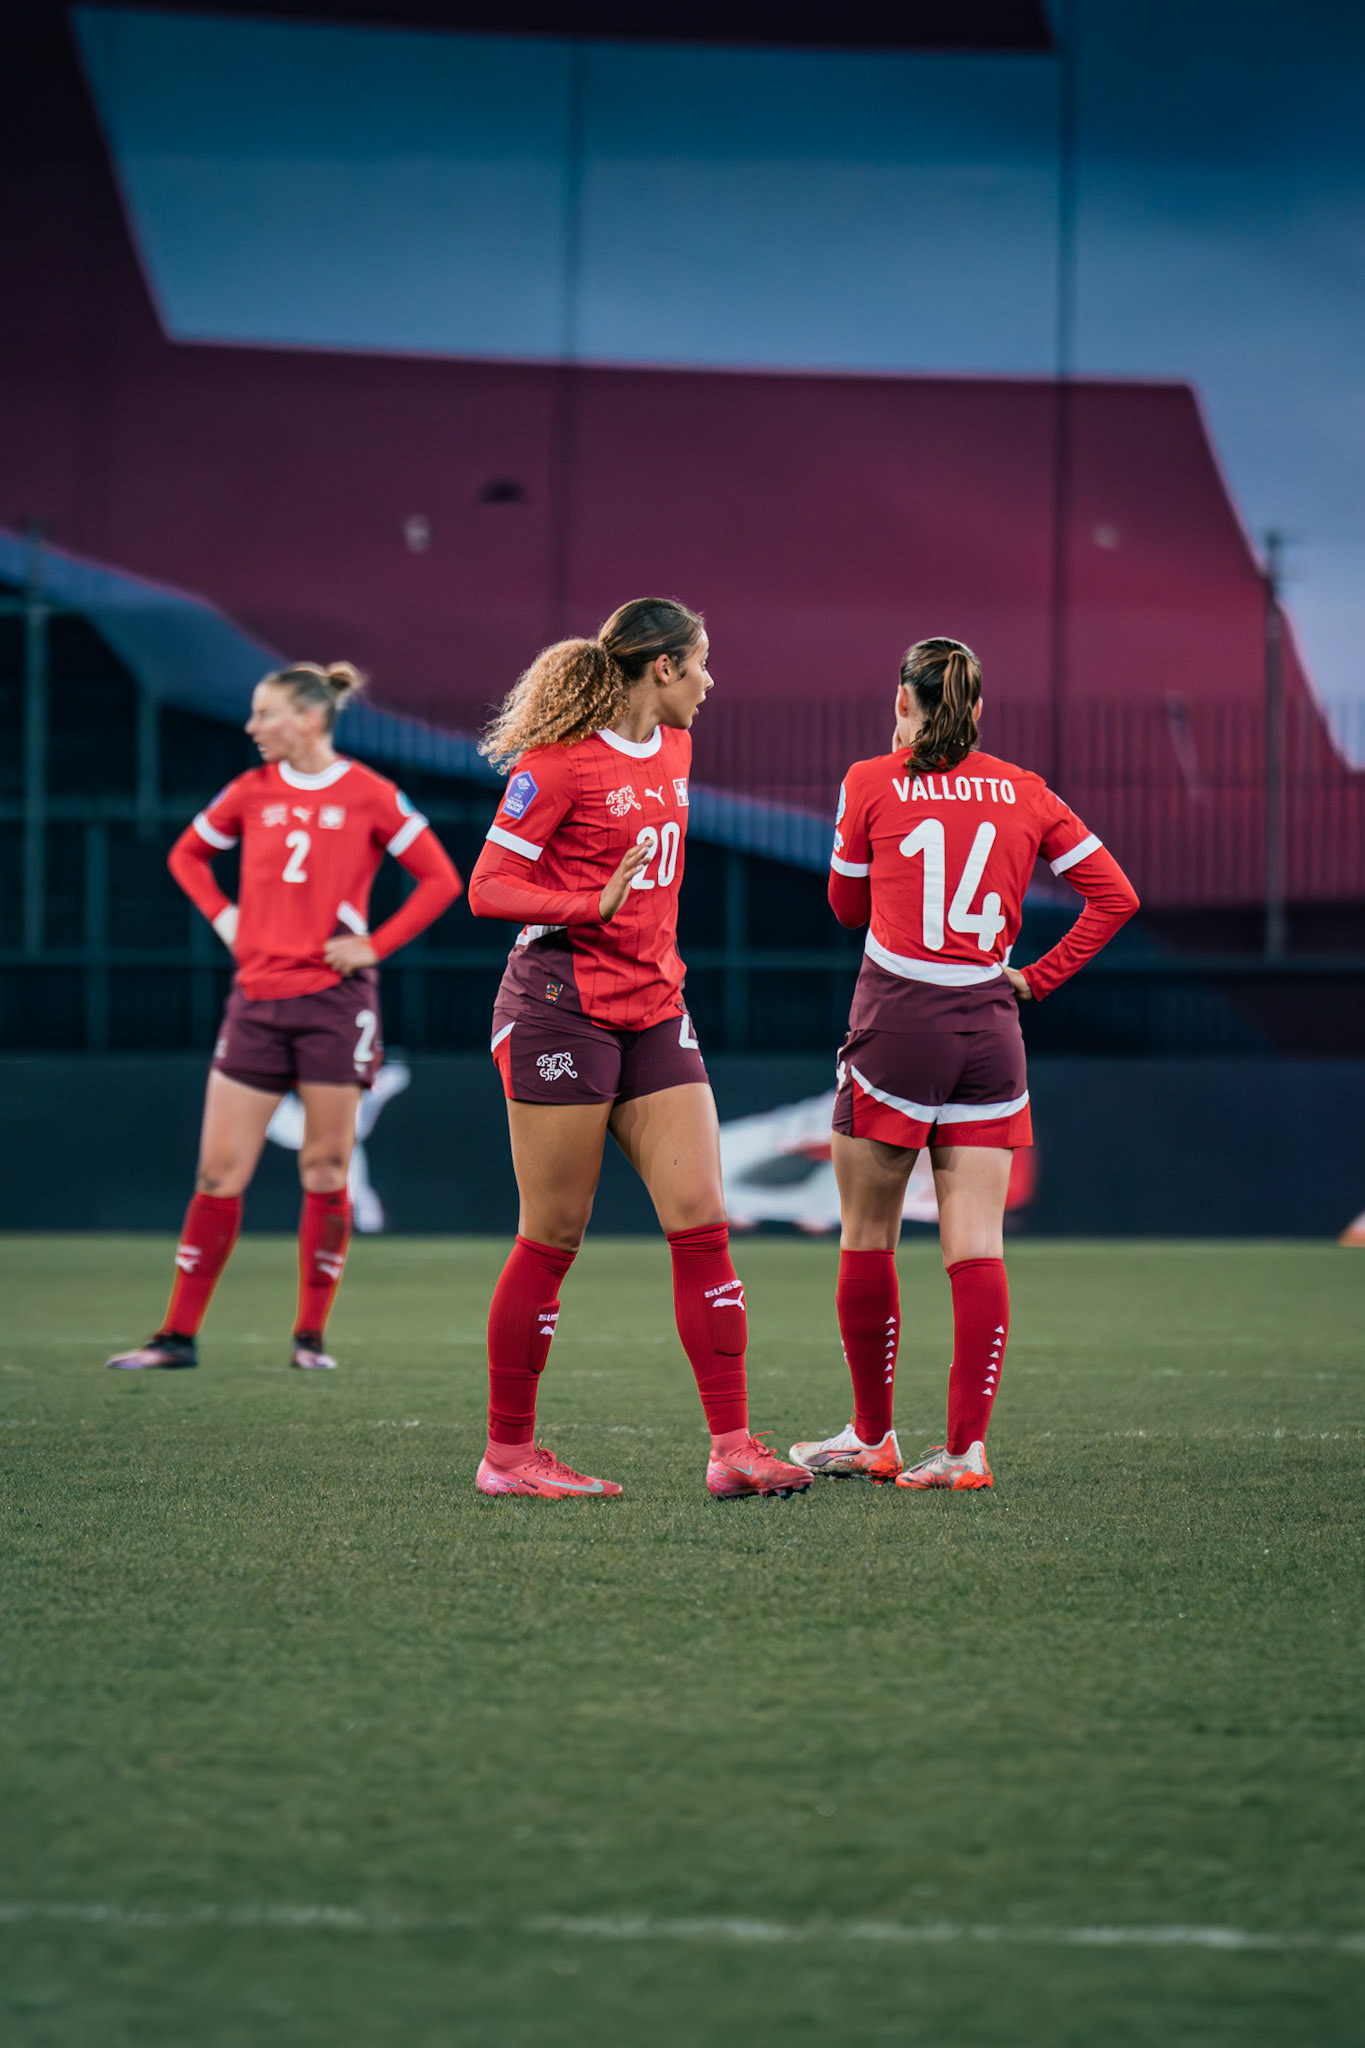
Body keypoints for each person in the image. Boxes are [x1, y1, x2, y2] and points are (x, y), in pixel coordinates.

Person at [467, 598, 812, 1501]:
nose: (710, 681)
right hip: (558, 1009)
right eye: (701, 663)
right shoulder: (554, 770)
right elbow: (488, 887)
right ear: (661, 668)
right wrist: (588, 906)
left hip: (655, 1007)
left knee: (702, 1220)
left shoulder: (677, 750)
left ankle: (731, 1448)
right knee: (552, 1236)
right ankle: (507, 1459)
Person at [789, 637, 1138, 1490]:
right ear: (977, 709)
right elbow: (1115, 897)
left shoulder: (872, 778)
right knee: (976, 1244)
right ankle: (966, 1451)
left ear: (905, 703)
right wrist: (1037, 977)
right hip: (991, 1023)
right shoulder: (1025, 789)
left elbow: (843, 907)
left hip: (897, 1024)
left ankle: (872, 1438)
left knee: (867, 1234)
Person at [106, 663, 461, 1373]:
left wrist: (375, 943)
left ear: (306, 719)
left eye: (263, 713)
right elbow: (188, 854)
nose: (251, 726)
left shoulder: (368, 792)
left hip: (334, 1003)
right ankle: (176, 1336)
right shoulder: (250, 791)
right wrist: (225, 917)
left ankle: (308, 1339)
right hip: (257, 1002)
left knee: (326, 1167)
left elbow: (441, 879)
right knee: (217, 1174)